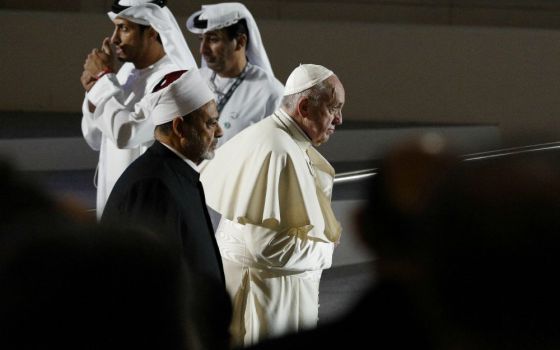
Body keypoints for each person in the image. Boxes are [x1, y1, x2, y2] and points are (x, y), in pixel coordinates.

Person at [199, 64, 345, 347]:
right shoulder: (278, 151)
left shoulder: (277, 139)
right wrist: (324, 248)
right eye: (333, 108)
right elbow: (266, 246)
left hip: (270, 290)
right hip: (266, 298)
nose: (339, 119)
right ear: (303, 107)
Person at [101, 69, 231, 350]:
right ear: (179, 127)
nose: (219, 131)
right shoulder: (154, 186)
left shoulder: (174, 173)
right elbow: (147, 295)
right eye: (210, 123)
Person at [80, 0, 197, 219]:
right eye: (115, 28)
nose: (114, 39)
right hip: (114, 197)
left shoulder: (173, 79)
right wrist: (94, 91)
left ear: (152, 32)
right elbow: (94, 138)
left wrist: (104, 80)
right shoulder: (125, 73)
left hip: (149, 206)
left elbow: (127, 134)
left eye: (123, 29)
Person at [186, 2, 283, 145]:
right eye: (201, 39)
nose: (203, 50)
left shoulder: (270, 93)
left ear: (240, 42)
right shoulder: (193, 82)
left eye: (213, 39)